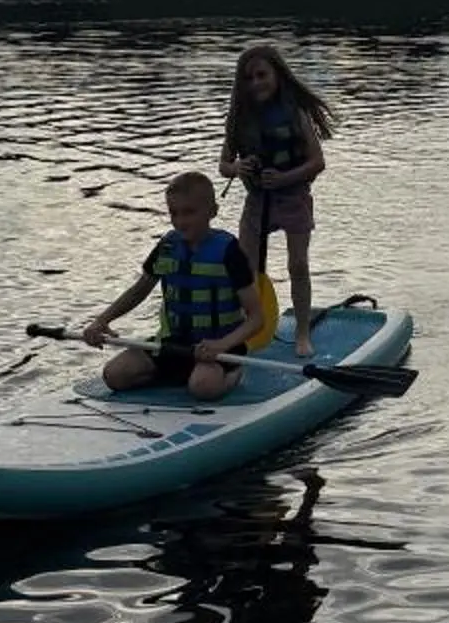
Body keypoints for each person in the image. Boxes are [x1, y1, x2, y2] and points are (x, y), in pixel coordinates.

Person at [81, 171, 267, 400]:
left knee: (203, 388)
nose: (180, 221)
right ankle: (178, 373)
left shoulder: (229, 251)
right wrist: (102, 320)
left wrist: (222, 345)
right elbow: (139, 290)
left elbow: (257, 318)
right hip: (174, 345)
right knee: (114, 375)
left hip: (220, 348)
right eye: (174, 213)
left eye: (189, 212)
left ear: (212, 212)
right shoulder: (167, 246)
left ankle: (232, 375)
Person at [219, 42, 336, 355]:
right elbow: (223, 166)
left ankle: (301, 334)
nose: (256, 82)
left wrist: (285, 178)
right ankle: (245, 326)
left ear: (277, 75)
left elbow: (317, 162)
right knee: (245, 268)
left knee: (298, 264)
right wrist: (238, 167)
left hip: (293, 199)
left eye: (262, 75)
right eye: (249, 78)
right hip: (257, 203)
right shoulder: (238, 119)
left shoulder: (295, 113)